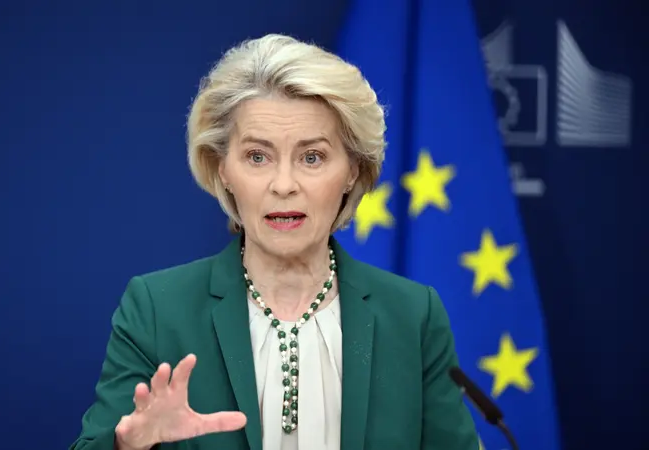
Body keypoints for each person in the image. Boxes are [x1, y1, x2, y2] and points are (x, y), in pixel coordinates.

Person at [69, 34, 479, 450]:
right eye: (258, 157)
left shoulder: (413, 316)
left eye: (312, 157)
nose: (284, 185)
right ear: (222, 168)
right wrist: (128, 446)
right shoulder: (158, 309)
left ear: (353, 170)